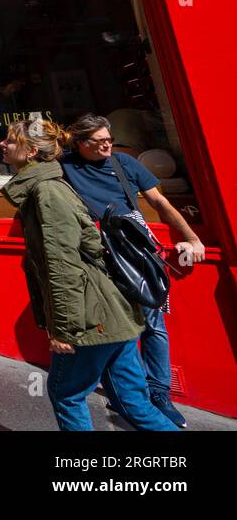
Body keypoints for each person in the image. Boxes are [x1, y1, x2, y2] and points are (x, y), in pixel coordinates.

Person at [0, 119, 177, 431]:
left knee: (66, 394)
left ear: (29, 152)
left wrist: (64, 329)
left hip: (91, 315)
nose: (2, 145)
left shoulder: (47, 193)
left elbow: (62, 264)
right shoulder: (52, 186)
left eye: (10, 141)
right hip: (114, 313)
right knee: (134, 402)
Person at [59, 113, 203, 428]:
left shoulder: (125, 164)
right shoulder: (64, 166)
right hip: (100, 256)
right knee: (117, 327)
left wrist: (192, 238)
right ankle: (129, 393)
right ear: (81, 143)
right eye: (100, 142)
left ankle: (159, 393)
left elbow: (160, 203)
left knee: (153, 324)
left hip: (138, 254)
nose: (108, 146)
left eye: (109, 139)